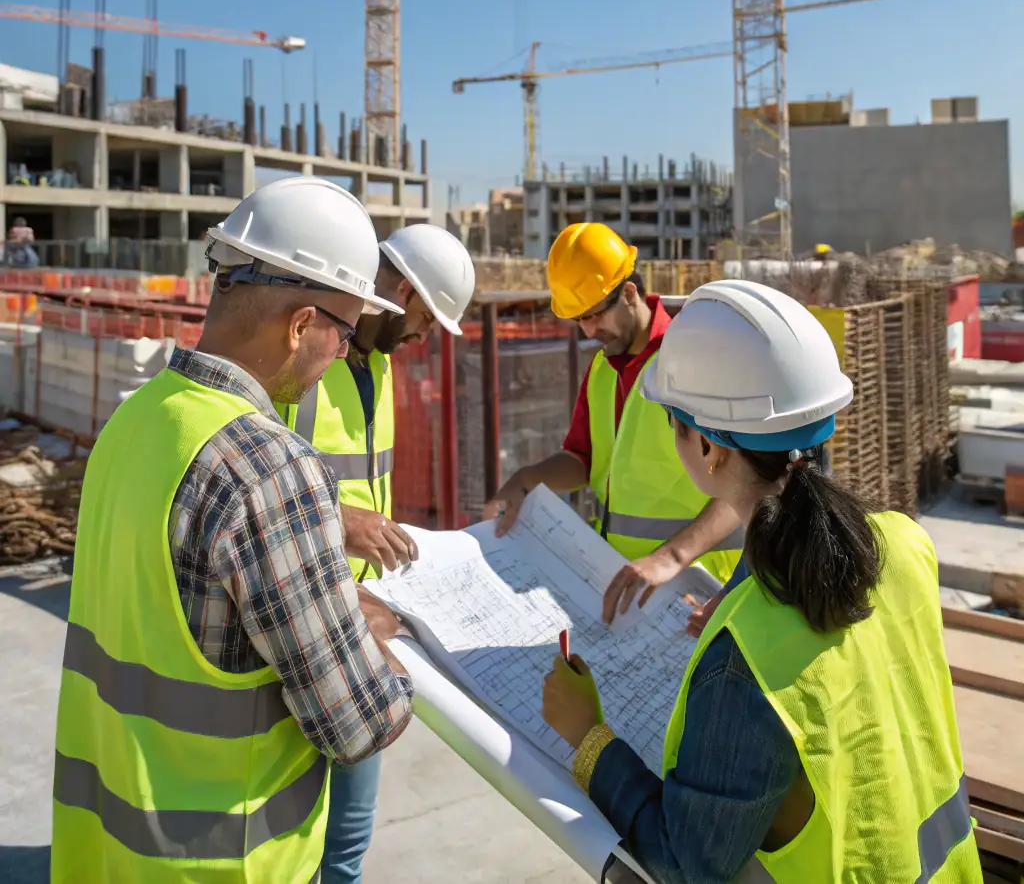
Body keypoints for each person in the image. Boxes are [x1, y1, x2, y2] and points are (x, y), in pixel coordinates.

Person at [541, 279, 983, 883]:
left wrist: (589, 738)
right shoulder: (904, 543)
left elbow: (688, 861)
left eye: (674, 423)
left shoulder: (745, 660)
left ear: (712, 450)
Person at [52, 177, 415, 883]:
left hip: (102, 856)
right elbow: (358, 722)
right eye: (342, 330)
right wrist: (374, 647)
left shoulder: (136, 418)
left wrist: (322, 610)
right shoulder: (270, 469)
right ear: (300, 321)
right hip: (224, 864)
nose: (344, 351)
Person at [276, 220, 475, 884]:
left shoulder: (380, 364)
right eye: (424, 316)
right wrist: (336, 520)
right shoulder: (296, 354)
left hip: (365, 620)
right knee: (288, 833)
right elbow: (243, 476)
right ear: (401, 288)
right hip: (299, 618)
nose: (422, 335)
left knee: (347, 842)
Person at [484, 222, 743, 618]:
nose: (589, 331)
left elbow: (747, 483)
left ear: (628, 293)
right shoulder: (604, 370)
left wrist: (673, 555)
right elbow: (582, 461)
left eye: (594, 315)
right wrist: (525, 480)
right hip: (626, 587)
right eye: (579, 320)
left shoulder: (690, 363)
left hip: (701, 588)